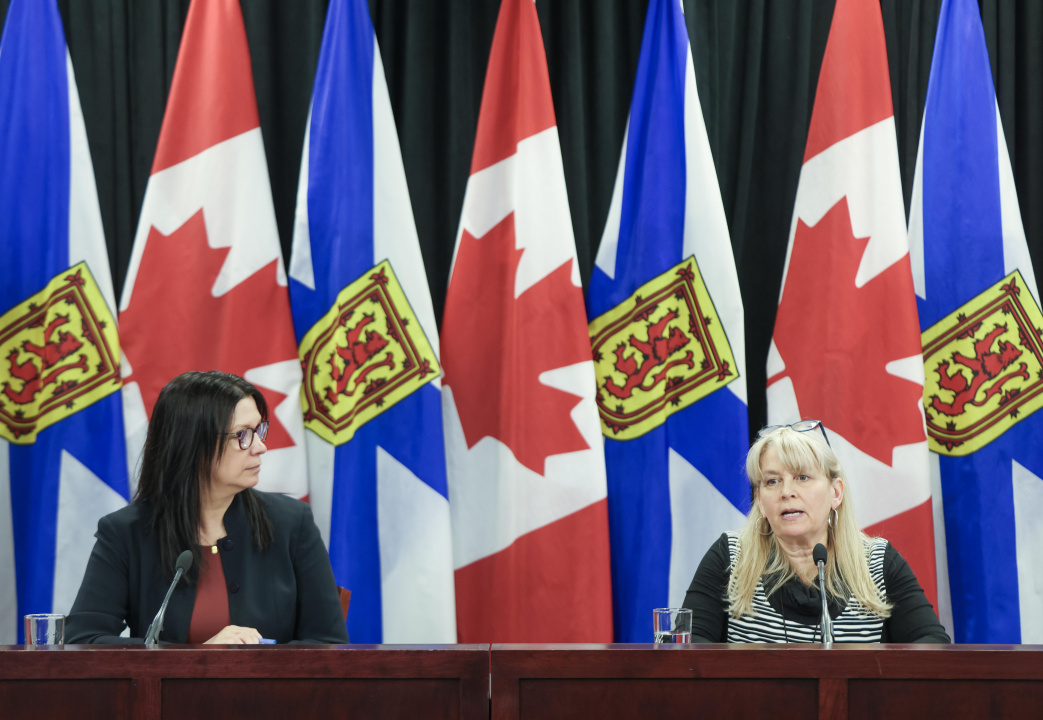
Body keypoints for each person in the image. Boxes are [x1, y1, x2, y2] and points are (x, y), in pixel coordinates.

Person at [66, 370, 349, 645]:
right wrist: (196, 659)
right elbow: (83, 640)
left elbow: (328, 643)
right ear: (193, 445)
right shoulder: (126, 533)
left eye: (259, 430)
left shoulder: (291, 523)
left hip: (270, 694)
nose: (261, 447)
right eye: (243, 435)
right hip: (168, 696)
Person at [683, 421, 950, 643]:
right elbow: (688, 651)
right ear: (760, 501)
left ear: (835, 493)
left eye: (802, 477)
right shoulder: (730, 557)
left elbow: (931, 649)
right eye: (772, 481)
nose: (787, 492)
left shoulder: (878, 563)